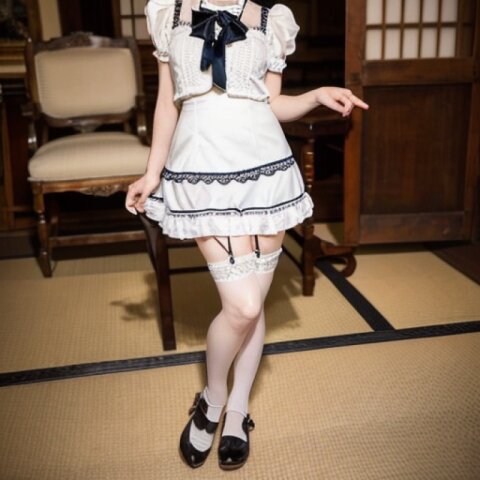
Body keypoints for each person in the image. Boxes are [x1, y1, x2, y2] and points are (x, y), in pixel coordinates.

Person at [125, 0, 368, 471]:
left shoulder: (272, 18)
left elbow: (271, 103)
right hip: (200, 173)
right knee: (244, 306)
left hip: (266, 172)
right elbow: (167, 103)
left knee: (252, 307)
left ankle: (238, 409)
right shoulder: (168, 12)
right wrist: (152, 173)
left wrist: (315, 94)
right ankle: (213, 399)